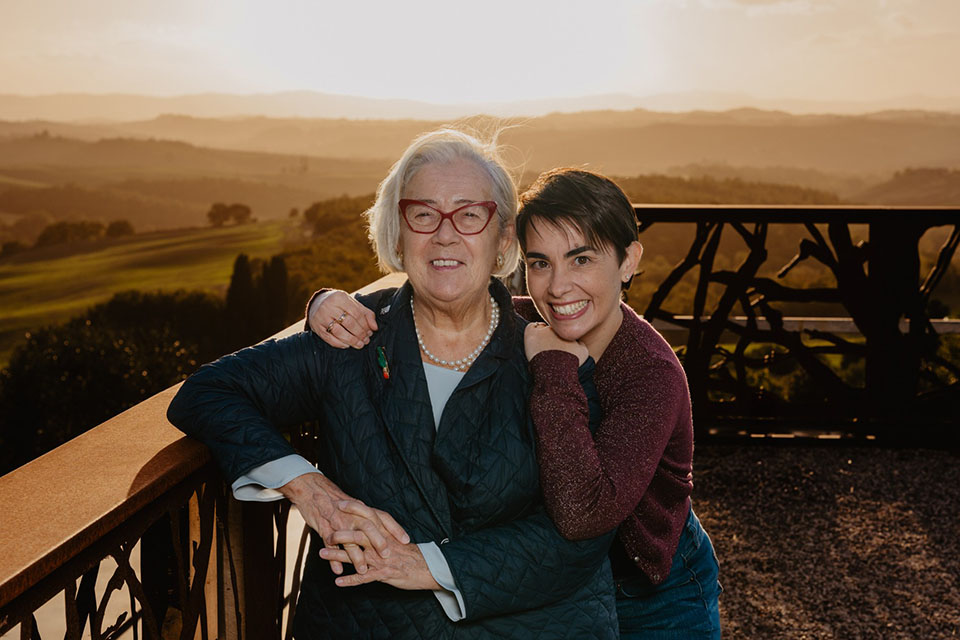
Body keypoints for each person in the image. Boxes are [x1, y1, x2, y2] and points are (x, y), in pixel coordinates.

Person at [167, 131, 618, 640]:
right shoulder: (348, 339)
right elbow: (206, 392)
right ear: (397, 234)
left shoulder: (556, 357)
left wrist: (427, 565)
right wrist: (312, 490)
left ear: (504, 239)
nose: (445, 235)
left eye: (470, 214)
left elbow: (581, 532)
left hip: (535, 625)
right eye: (423, 214)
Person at [309, 168, 722, 638]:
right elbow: (431, 299)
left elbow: (582, 512)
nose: (558, 287)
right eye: (541, 263)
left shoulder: (650, 375)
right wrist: (326, 303)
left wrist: (554, 369)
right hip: (560, 589)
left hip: (652, 593)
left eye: (581, 259)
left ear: (628, 261)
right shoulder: (522, 319)